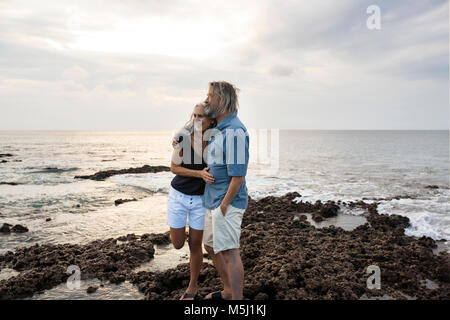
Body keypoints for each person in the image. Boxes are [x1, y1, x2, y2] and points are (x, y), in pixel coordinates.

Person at [201, 81, 250, 300]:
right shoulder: (218, 129)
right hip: (213, 199)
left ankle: (237, 302)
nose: (206, 99)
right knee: (210, 246)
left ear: (222, 99)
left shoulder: (234, 131)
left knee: (230, 252)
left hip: (226, 202)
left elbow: (238, 175)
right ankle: (228, 290)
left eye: (210, 95)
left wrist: (224, 205)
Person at [167, 102, 216, 300]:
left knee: (195, 245)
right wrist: (198, 174)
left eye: (201, 116)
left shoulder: (215, 141)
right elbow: (173, 168)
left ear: (210, 120)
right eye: (194, 115)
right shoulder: (183, 139)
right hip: (178, 196)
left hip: (200, 201)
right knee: (178, 243)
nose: (196, 119)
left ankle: (192, 287)